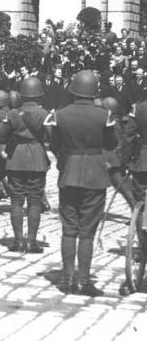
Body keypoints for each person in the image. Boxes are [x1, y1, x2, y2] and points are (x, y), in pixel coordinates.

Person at [45, 70, 117, 296]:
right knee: (87, 231)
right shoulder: (104, 115)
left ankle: (67, 278)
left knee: (69, 229)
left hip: (69, 172)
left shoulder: (61, 114)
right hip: (95, 174)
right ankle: (84, 281)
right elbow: (112, 143)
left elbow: (55, 144)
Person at [0, 77, 50, 253]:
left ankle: (18, 241)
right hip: (36, 157)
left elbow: (0, 136)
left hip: (16, 157)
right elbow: (52, 137)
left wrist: (5, 149)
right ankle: (32, 242)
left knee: (16, 201)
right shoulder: (45, 114)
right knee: (34, 200)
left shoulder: (12, 114)